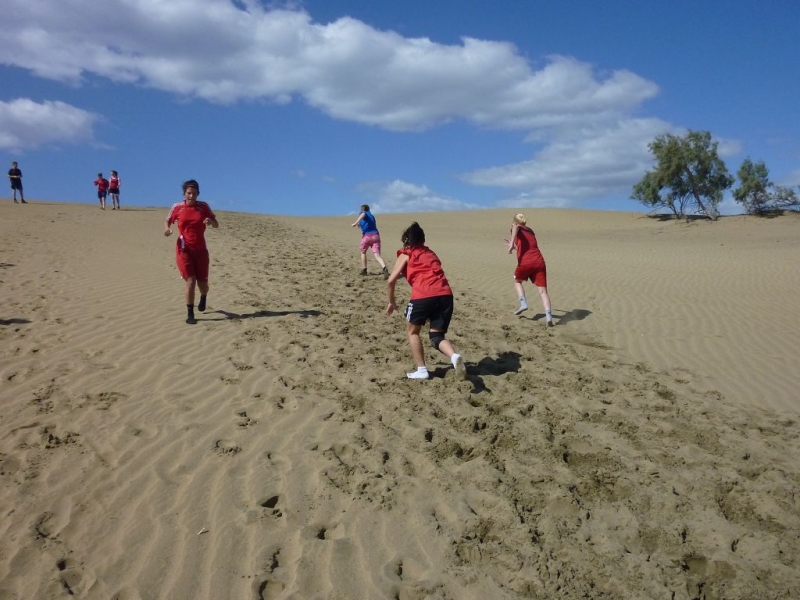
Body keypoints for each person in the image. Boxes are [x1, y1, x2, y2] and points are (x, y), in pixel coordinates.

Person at [386, 222, 466, 380]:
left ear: (406, 240)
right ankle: (454, 357)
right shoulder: (430, 253)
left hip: (423, 295)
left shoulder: (406, 253)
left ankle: (422, 370)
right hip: (445, 295)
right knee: (437, 336)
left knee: (412, 332)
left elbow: (390, 280)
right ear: (423, 240)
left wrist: (391, 301)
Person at [164, 180, 219, 324]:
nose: (191, 196)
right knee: (190, 280)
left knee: (203, 284)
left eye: (194, 193)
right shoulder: (177, 207)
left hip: (201, 250)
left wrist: (210, 222)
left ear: (198, 194)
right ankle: (190, 313)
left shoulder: (203, 207)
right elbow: (167, 220)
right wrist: (167, 229)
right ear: (184, 193)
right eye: (189, 193)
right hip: (183, 249)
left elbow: (216, 224)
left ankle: (203, 296)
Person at [506, 213, 553, 326]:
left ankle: (523, 304)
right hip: (539, 261)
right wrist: (515, 246)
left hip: (526, 262)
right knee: (543, 291)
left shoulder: (517, 227)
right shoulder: (530, 231)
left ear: (515, 221)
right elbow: (527, 248)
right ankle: (549, 317)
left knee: (517, 281)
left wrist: (511, 244)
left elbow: (516, 227)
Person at [351, 204, 389, 279]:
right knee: (377, 255)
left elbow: (363, 214)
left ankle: (364, 270)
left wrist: (355, 223)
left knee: (363, 252)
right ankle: (384, 268)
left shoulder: (364, 213)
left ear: (363, 209)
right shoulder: (372, 216)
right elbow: (365, 224)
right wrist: (358, 224)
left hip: (367, 236)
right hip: (376, 236)